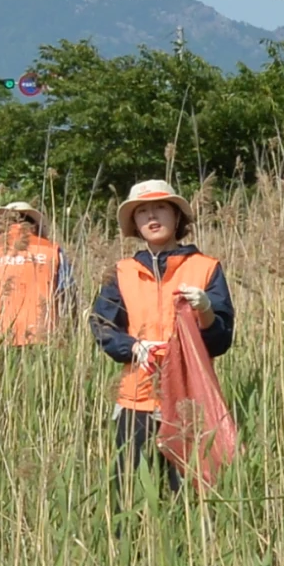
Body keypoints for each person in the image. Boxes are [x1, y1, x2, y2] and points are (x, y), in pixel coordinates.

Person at [94, 177, 234, 491]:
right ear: (134, 223)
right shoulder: (122, 272)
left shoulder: (206, 267)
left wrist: (206, 310)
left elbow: (221, 339)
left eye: (160, 208)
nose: (152, 216)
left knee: (187, 493)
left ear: (177, 215)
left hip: (189, 398)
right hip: (137, 397)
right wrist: (133, 347)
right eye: (142, 211)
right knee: (129, 491)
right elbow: (102, 325)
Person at [0, 203, 71, 347]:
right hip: (44, 337)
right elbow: (68, 295)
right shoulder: (53, 250)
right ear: (35, 225)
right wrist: (68, 334)